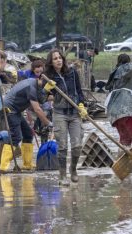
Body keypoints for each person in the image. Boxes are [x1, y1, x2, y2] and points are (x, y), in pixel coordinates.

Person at [43, 48, 87, 186]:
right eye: (55, 58)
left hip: (74, 113)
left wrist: (81, 105)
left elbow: (79, 91)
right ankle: (62, 174)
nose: (58, 60)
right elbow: (41, 97)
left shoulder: (72, 73)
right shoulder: (48, 76)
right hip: (60, 113)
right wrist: (46, 89)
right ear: (51, 62)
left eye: (60, 58)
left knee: (77, 145)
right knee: (62, 146)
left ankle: (73, 169)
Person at [0, 77, 53, 173]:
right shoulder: (30, 86)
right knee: (16, 136)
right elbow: (37, 109)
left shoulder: (37, 86)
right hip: (10, 110)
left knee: (28, 134)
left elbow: (41, 99)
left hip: (17, 111)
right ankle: (3, 165)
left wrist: (46, 91)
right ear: (40, 80)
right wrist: (48, 123)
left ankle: (27, 164)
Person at [104, 53, 132, 149]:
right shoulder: (131, 68)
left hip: (114, 113)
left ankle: (122, 162)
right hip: (127, 110)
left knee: (125, 143)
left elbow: (107, 87)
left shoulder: (114, 72)